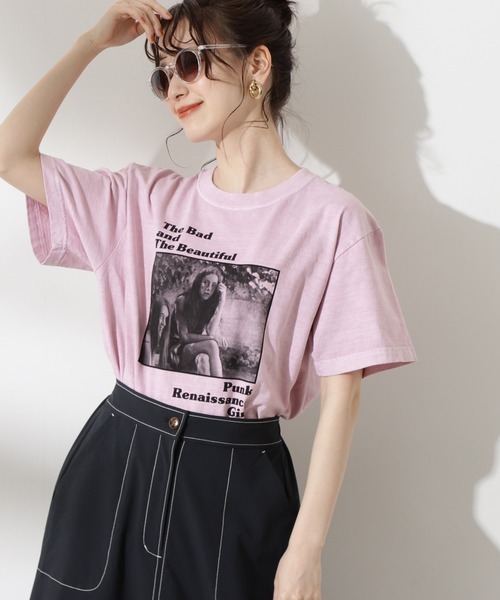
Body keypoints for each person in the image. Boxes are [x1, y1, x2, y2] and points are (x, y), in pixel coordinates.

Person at [0, 1, 416, 599]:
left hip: (233, 490)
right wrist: (90, 42)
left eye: (191, 63)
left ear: (257, 65)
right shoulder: (140, 201)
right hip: (115, 469)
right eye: (163, 73)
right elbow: (11, 154)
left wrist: (306, 549)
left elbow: (342, 397)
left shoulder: (333, 223)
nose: (175, 86)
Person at [165, 267, 227, 376]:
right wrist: (213, 338)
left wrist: (222, 301)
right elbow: (184, 337)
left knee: (204, 359)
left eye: (213, 285)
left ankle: (210, 386)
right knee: (212, 345)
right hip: (178, 350)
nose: (208, 288)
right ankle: (220, 383)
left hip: (194, 348)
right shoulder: (182, 300)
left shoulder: (209, 304)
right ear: (198, 282)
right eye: (205, 283)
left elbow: (211, 331)